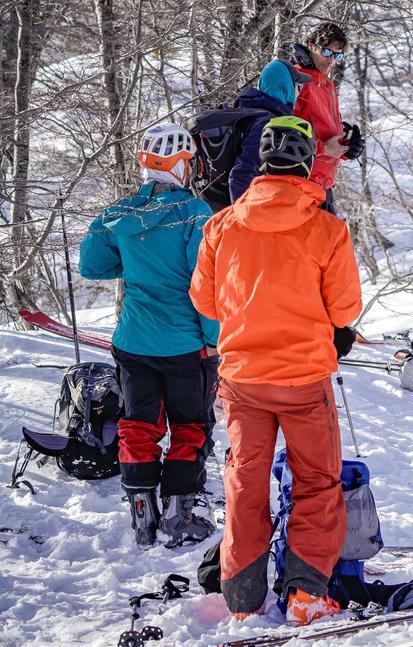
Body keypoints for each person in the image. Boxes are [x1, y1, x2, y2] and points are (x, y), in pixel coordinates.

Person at [189, 116, 362, 626]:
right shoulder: (326, 227)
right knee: (316, 481)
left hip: (243, 377)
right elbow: (345, 308)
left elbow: (206, 299)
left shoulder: (222, 224)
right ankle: (306, 593)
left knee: (245, 481)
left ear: (262, 163)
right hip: (305, 378)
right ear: (308, 161)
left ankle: (242, 597)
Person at [79, 122, 219, 549]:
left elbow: (93, 266)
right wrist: (213, 340)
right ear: (181, 164)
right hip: (184, 344)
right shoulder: (196, 214)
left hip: (133, 342)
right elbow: (206, 285)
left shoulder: (121, 214)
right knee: (191, 426)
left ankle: (142, 508)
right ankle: (180, 512)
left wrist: (141, 263)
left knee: (138, 424)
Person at [291, 22, 365, 201]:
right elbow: (281, 135)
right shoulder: (297, 80)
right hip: (300, 185)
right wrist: (323, 149)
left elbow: (323, 130)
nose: (331, 60)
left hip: (324, 185)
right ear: (311, 45)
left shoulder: (328, 85)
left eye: (337, 55)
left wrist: (347, 147)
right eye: (326, 52)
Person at [228, 59, 312, 203]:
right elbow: (241, 175)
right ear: (286, 88)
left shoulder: (251, 112)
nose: (299, 93)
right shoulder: (267, 123)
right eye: (298, 86)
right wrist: (243, 219)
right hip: (241, 215)